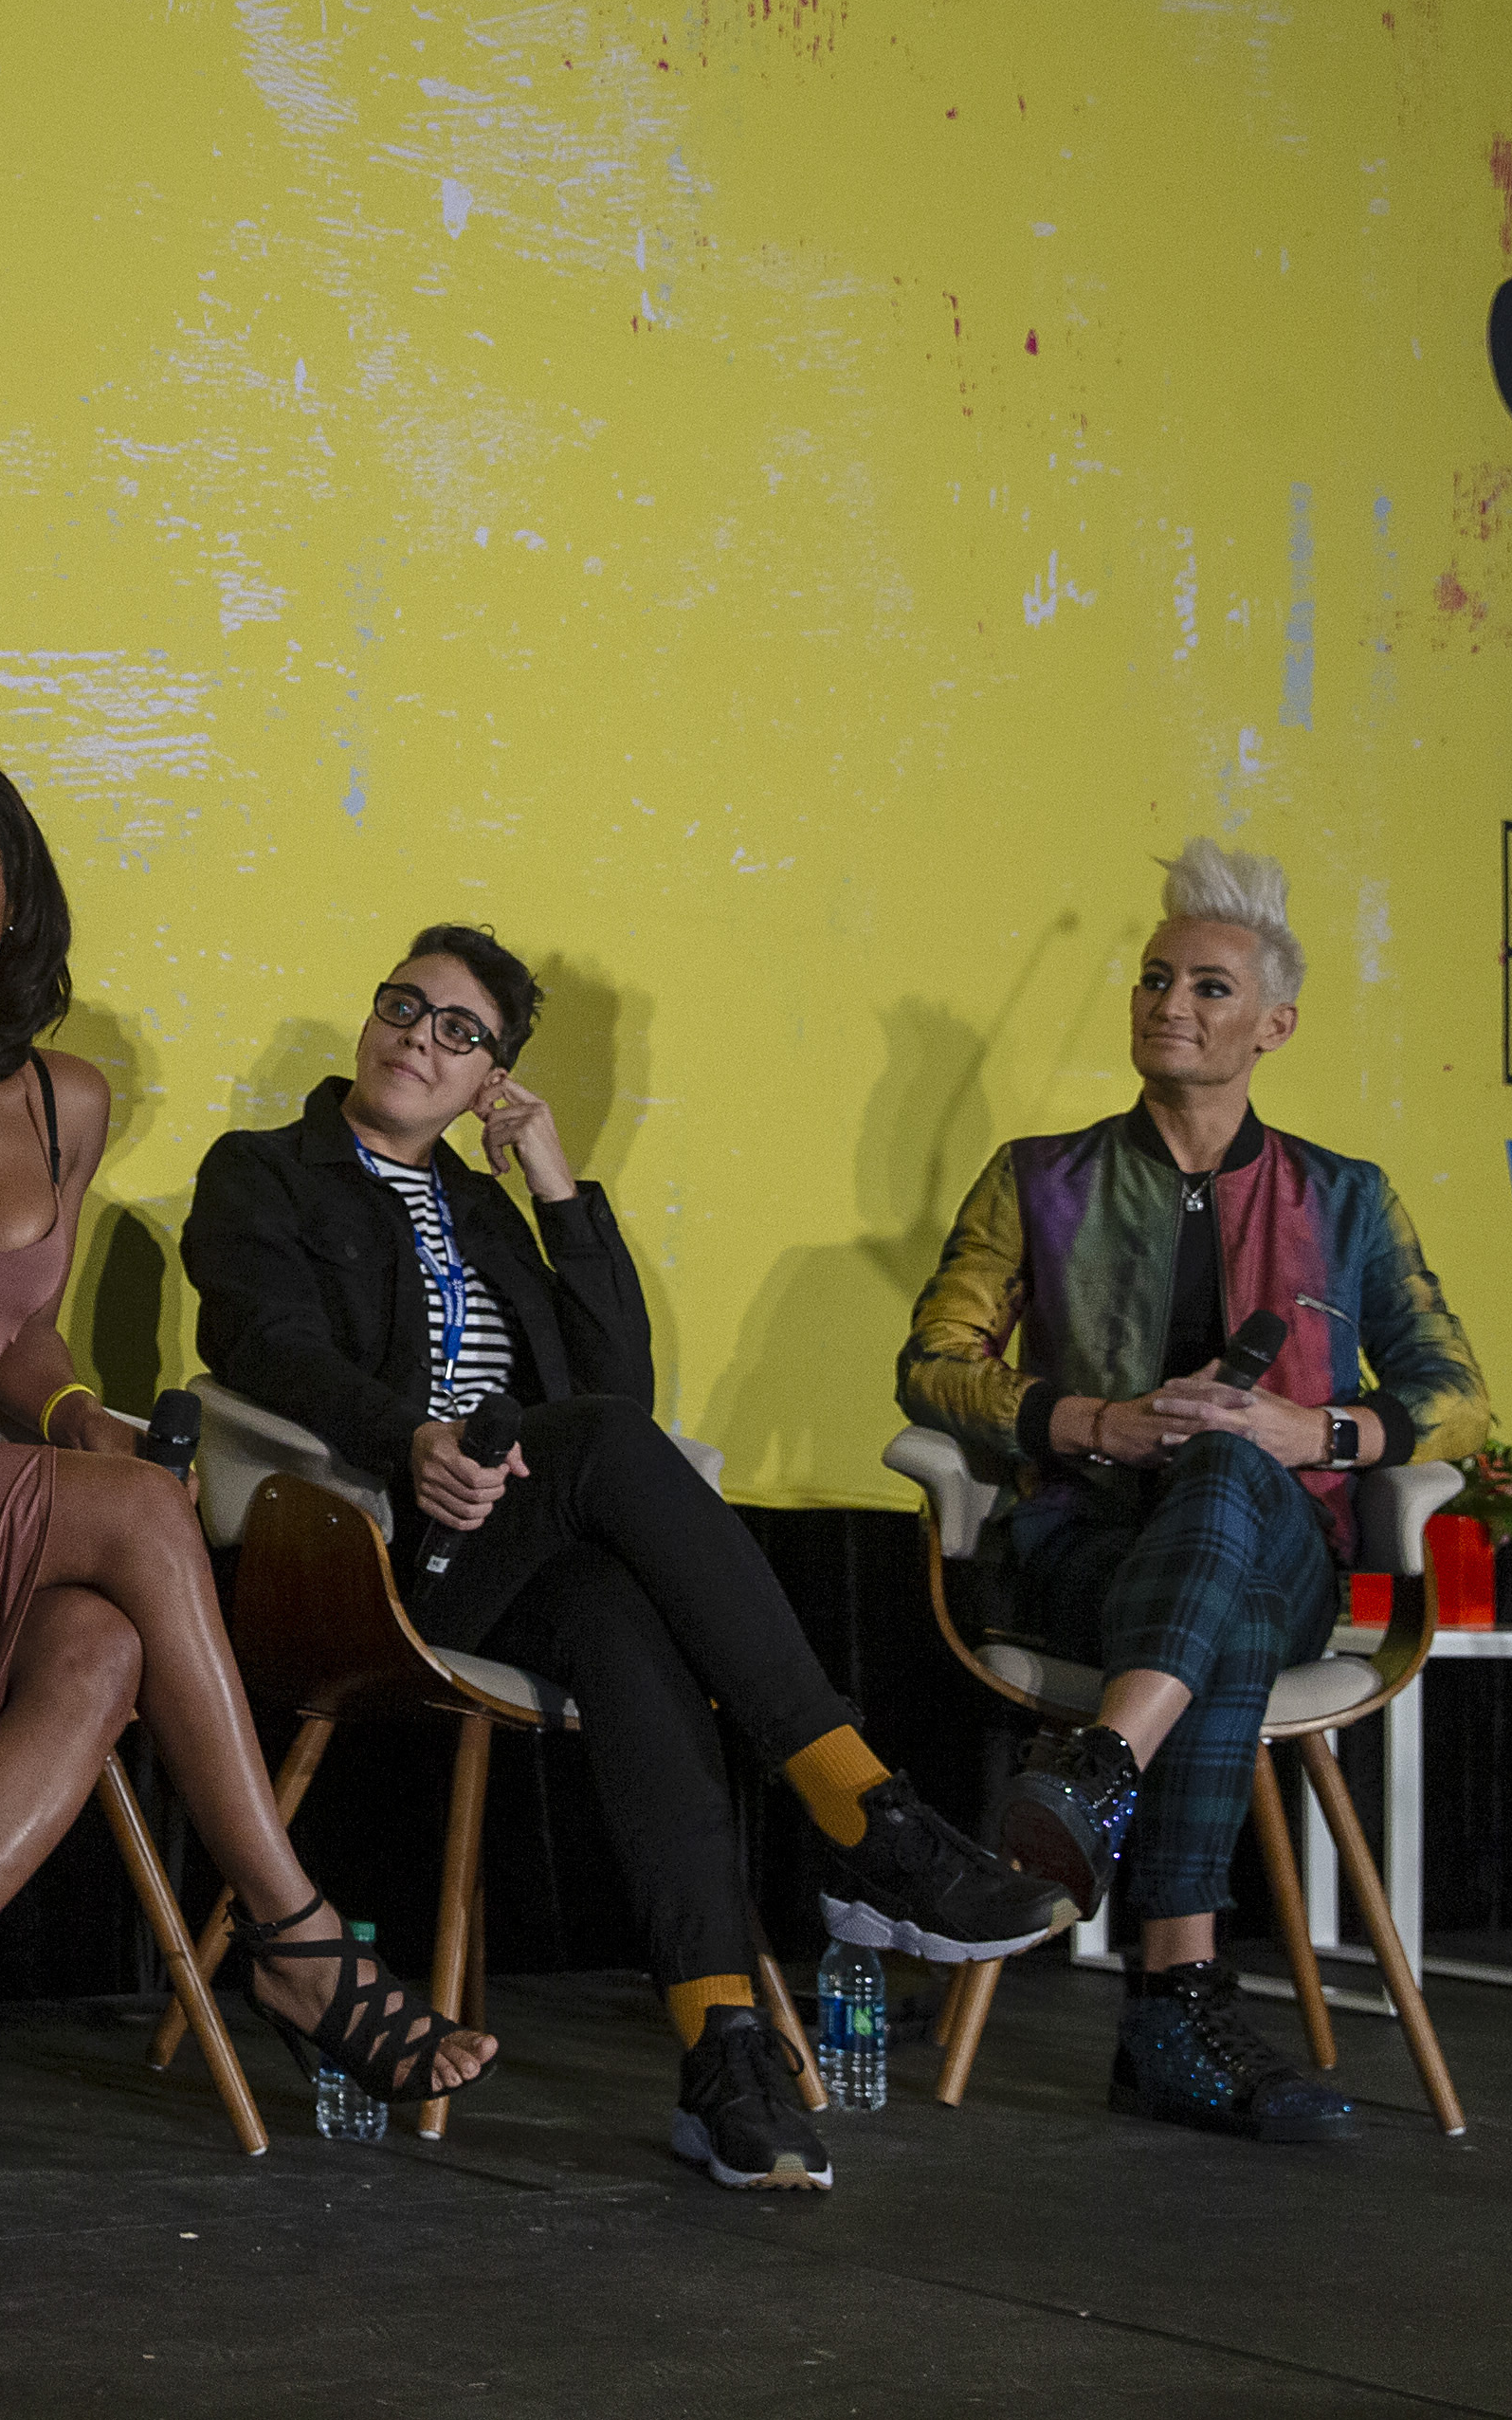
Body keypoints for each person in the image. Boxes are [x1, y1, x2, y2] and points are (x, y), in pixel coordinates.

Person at [0, 752, 494, 2216]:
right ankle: (298, 1938)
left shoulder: (68, 1099)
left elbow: (9, 1325)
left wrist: (73, 1416)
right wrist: (15, 1484)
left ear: (14, 899)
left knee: (103, 1640)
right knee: (133, 1521)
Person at [185, 928, 1066, 2193]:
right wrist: (412, 1439)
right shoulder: (265, 1174)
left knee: (618, 1615)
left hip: (514, 1555)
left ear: (490, 1074)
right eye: (403, 1006)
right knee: (603, 1463)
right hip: (369, 1552)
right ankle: (867, 1816)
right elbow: (263, 1341)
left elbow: (618, 1394)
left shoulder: (488, 1210)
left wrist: (553, 1185)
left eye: (457, 1032)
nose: (415, 1039)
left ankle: (725, 2057)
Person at [899, 838, 1495, 2143]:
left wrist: (1315, 1431)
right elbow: (933, 1368)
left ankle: (1104, 1766)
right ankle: (1175, 2001)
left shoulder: (1346, 1198)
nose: (1173, 1001)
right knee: (1206, 1598)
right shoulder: (1035, 1177)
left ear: (1275, 1024)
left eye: (1211, 987)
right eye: (1157, 978)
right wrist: (1091, 1417)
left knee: (1232, 1461)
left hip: (1283, 1550)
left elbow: (1456, 1392)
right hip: (1082, 1545)